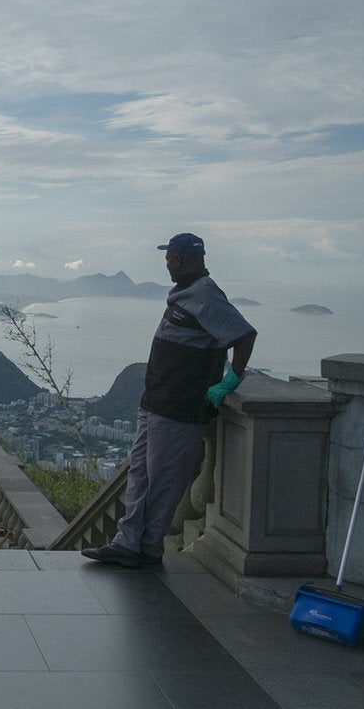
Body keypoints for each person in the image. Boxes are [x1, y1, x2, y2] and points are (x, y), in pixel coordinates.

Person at [84, 233, 256, 568]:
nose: (166, 263)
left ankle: (146, 547)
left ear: (178, 259)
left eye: (168, 258)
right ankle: (128, 541)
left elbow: (244, 335)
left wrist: (231, 379)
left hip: (179, 407)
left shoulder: (206, 293)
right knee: (140, 475)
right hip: (156, 402)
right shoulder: (184, 293)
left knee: (163, 481)